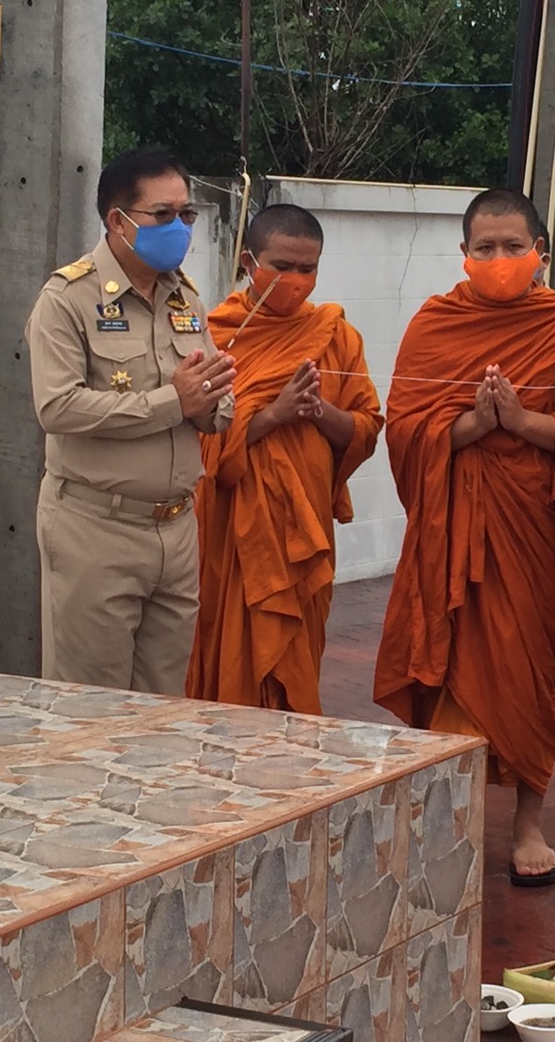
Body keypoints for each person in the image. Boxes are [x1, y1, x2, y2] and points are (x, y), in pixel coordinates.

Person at [375, 188, 555, 886]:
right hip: (453, 528)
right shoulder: (435, 323)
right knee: (446, 660)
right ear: (463, 255)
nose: (499, 260)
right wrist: (472, 424)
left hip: (533, 525)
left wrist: (527, 423)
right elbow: (404, 426)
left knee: (531, 670)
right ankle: (446, 812)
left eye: (512, 247)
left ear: (542, 253)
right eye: (485, 249)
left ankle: (528, 822)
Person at [26, 147, 234, 693]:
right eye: (162, 215)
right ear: (118, 222)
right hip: (97, 528)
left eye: (186, 215)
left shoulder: (183, 297)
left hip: (175, 527)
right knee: (90, 709)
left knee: (163, 707)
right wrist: (174, 401)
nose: (180, 227)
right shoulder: (67, 298)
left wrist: (213, 401)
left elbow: (212, 406)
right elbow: (57, 407)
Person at [187, 204, 383, 713]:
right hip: (231, 535)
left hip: (303, 534)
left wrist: (318, 411)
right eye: (283, 266)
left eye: (308, 268)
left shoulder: (337, 336)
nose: (296, 280)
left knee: (293, 668)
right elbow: (200, 447)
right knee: (228, 664)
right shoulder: (215, 335)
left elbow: (364, 430)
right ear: (249, 262)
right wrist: (273, 415)